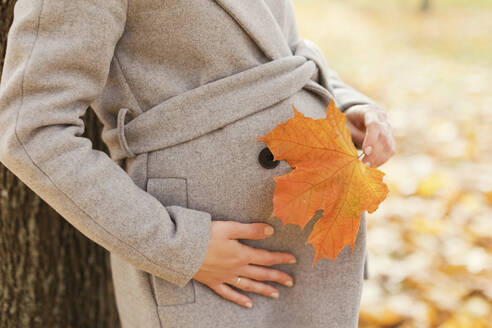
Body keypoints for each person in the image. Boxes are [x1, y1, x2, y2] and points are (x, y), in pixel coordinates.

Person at [0, 0, 395, 327]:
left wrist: (346, 104)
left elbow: (283, 49)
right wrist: (179, 245)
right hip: (209, 261)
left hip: (308, 237)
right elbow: (30, 130)